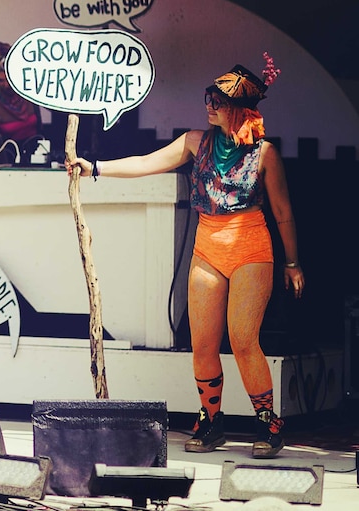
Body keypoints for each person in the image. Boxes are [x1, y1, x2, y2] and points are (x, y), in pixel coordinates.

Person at [67, 54, 304, 458]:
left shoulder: (265, 154)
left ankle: (268, 423)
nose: (209, 105)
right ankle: (211, 421)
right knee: (203, 343)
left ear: (241, 110)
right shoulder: (196, 141)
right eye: (208, 97)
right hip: (207, 247)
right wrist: (94, 169)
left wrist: (293, 263)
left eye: (219, 100)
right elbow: (148, 162)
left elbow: (282, 212)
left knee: (243, 340)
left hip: (250, 247)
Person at [0, 41, 43, 161]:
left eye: (9, 79)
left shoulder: (29, 94)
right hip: (5, 164)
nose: (6, 85)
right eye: (0, 80)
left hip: (36, 159)